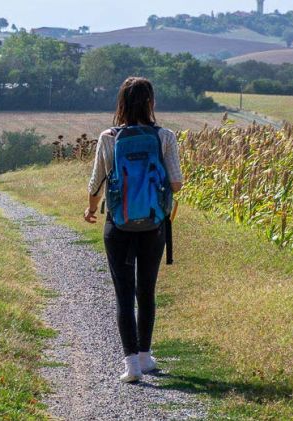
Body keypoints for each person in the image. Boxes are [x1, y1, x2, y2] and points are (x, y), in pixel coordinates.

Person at [84, 77, 184, 383]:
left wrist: (90, 209)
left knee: (124, 295)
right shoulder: (164, 136)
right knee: (147, 290)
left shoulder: (108, 136)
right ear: (151, 102)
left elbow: (96, 182)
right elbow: (177, 182)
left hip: (119, 225)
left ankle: (131, 366)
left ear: (121, 103)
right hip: (154, 225)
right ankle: (146, 356)